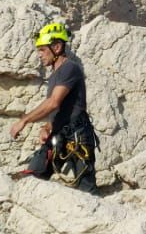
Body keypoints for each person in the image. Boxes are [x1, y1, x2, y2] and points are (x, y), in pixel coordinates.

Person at [9, 21, 97, 188]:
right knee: (33, 177)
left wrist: (24, 121)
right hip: (59, 134)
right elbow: (63, 108)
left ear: (57, 47)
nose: (39, 55)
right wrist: (48, 126)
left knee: (87, 190)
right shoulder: (57, 74)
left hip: (78, 136)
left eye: (42, 49)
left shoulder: (70, 68)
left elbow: (53, 103)